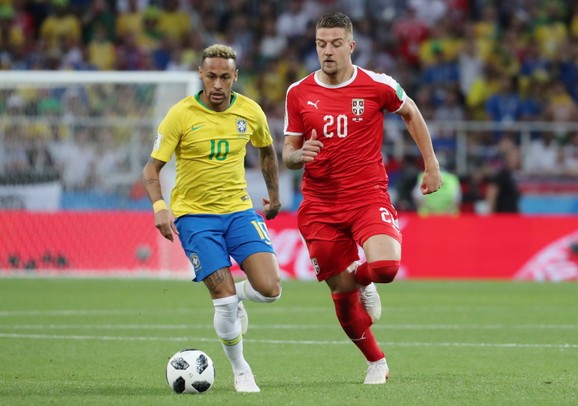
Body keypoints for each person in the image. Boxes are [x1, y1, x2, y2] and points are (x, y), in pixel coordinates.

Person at [282, 12, 442, 384]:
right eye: (321, 44)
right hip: (320, 205)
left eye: (336, 44)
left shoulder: (377, 85)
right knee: (342, 296)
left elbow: (411, 112)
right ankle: (376, 362)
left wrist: (431, 164)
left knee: (385, 268)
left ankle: (363, 277)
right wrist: (298, 156)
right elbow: (287, 153)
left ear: (351, 45)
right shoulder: (298, 92)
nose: (328, 51)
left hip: (367, 196)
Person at [142, 44, 282, 393]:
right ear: (201, 75)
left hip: (238, 211)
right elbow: (152, 168)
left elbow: (267, 152)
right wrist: (160, 207)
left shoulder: (250, 111)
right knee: (222, 297)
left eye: (224, 77)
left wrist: (275, 196)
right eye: (211, 77)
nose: (217, 85)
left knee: (270, 290)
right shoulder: (180, 114)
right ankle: (241, 371)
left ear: (235, 77)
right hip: (195, 218)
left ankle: (239, 299)